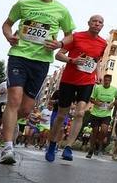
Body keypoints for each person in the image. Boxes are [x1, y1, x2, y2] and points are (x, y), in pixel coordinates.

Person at [0, 0, 74, 165]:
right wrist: (9, 37)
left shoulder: (62, 11)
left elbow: (69, 35)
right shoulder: (23, 4)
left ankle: (13, 126)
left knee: (25, 109)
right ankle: (7, 147)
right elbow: (7, 24)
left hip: (41, 62)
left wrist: (59, 44)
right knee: (13, 99)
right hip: (19, 56)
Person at [45, 14, 109, 163]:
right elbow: (58, 55)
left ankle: (68, 147)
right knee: (62, 115)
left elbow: (97, 61)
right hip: (69, 79)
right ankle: (53, 143)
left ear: (102, 26)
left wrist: (98, 74)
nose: (97, 24)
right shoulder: (76, 36)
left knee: (80, 113)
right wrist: (71, 60)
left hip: (87, 81)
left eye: (100, 22)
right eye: (94, 21)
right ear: (89, 23)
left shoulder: (103, 43)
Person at [84, 75, 117, 158]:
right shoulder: (97, 88)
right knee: (95, 131)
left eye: (108, 80)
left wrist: (113, 104)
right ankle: (91, 149)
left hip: (106, 114)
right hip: (95, 113)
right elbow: (91, 99)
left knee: (104, 131)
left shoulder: (114, 89)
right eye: (105, 80)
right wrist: (96, 103)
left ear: (110, 81)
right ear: (103, 80)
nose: (106, 82)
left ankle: (98, 143)